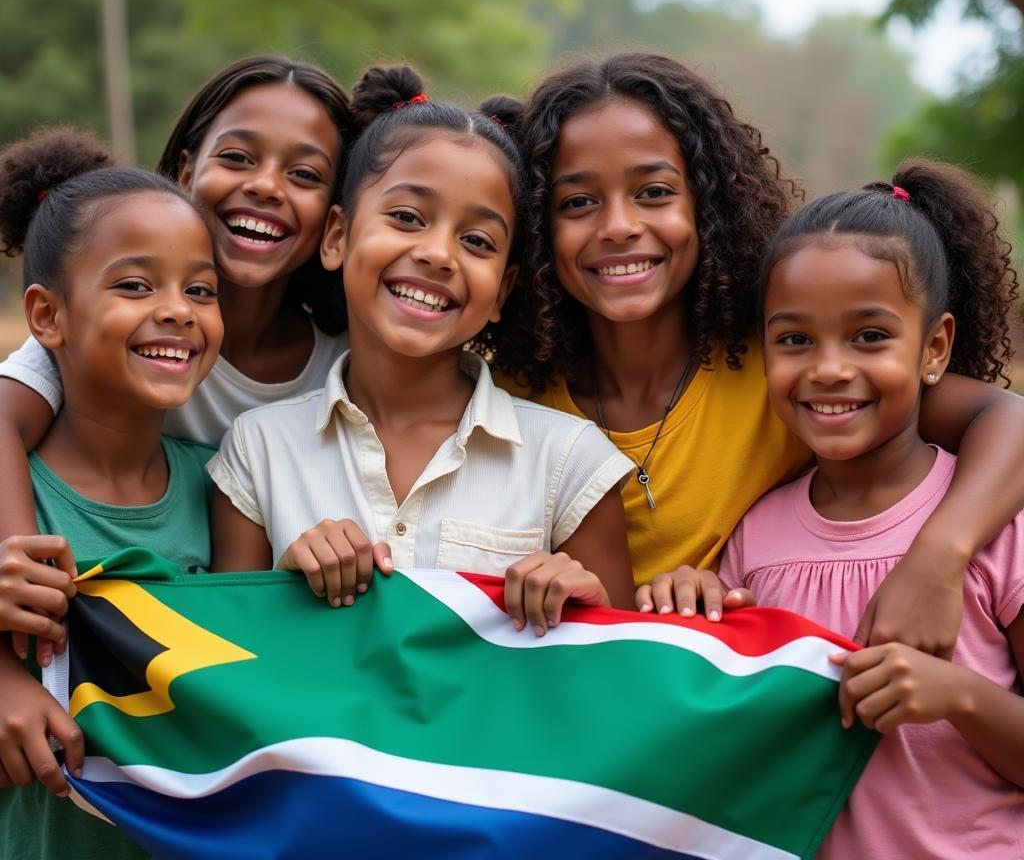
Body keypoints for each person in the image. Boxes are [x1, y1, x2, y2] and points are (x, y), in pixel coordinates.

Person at [494, 51, 1024, 656]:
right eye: (578, 202)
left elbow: (1006, 418)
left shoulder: (786, 369)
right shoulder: (513, 396)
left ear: (707, 205)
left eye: (655, 192)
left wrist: (940, 555)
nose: (618, 226)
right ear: (536, 227)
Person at [643, 162, 1024, 857]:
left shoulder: (996, 524)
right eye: (794, 340)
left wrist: (961, 696)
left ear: (934, 348)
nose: (827, 368)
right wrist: (695, 602)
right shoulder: (755, 537)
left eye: (869, 337)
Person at [209, 64, 636, 633]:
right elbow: (221, 656)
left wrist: (583, 601)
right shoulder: (257, 449)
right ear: (337, 237)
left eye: (476, 241)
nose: (438, 254)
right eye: (407, 217)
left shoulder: (570, 462)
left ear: (502, 292)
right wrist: (280, 590)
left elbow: (624, 668)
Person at [0, 56, 353, 663]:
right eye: (238, 157)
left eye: (303, 173)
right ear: (188, 169)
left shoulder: (342, 371)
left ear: (335, 218)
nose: (266, 185)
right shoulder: (87, 330)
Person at [0, 129, 225, 858]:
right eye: (135, 285)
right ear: (47, 317)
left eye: (200, 289)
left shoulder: (227, 485)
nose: (178, 309)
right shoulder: (14, 498)